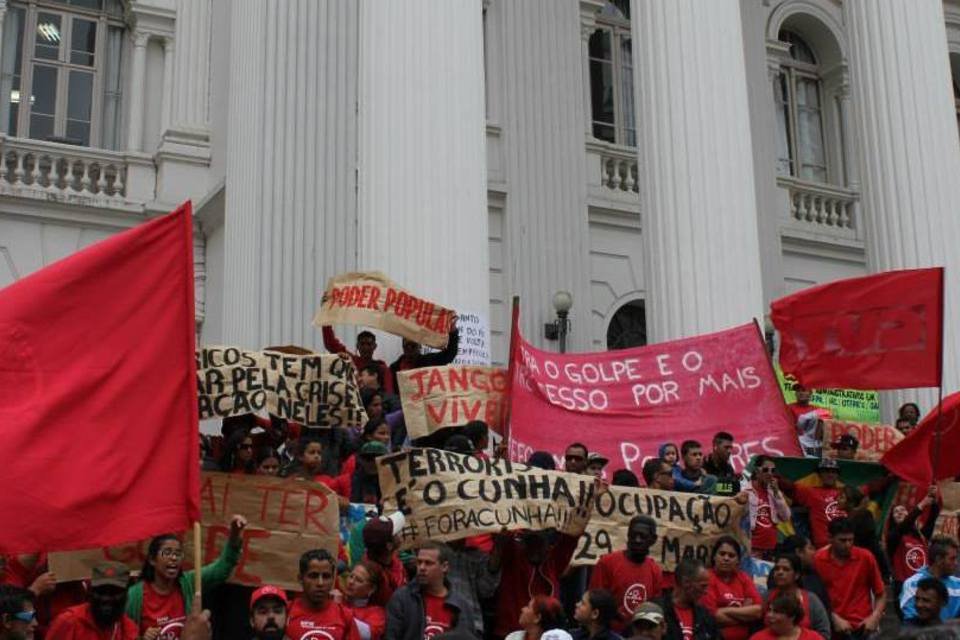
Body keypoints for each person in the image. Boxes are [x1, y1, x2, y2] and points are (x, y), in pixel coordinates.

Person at [126, 515, 247, 637]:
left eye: (178, 554)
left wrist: (234, 536)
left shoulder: (189, 582)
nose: (173, 558)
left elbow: (222, 569)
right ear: (152, 560)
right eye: (167, 553)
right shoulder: (134, 597)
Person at [385, 542, 474, 640]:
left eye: (428, 563)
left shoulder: (461, 605)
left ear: (444, 567)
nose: (422, 568)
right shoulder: (402, 598)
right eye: (419, 562)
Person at [590, 515, 664, 632]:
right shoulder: (607, 563)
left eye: (642, 536)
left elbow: (654, 608)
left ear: (653, 539)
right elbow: (595, 601)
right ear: (628, 535)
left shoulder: (655, 570)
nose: (637, 540)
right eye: (634, 535)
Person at [812, 518, 884, 637]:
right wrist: (833, 617)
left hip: (863, 627)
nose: (848, 544)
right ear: (830, 538)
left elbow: (880, 593)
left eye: (851, 540)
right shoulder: (818, 560)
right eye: (843, 540)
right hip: (832, 626)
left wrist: (875, 617)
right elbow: (815, 597)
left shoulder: (865, 557)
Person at [48, 562, 139, 640]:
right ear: (90, 592)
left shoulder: (128, 629)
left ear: (126, 595)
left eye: (114, 592)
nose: (106, 598)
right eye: (100, 591)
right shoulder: (69, 622)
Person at [888, 486, 941, 617]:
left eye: (903, 511)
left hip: (924, 587)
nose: (900, 513)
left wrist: (934, 499)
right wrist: (923, 503)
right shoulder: (893, 537)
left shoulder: (921, 536)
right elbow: (906, 523)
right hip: (904, 587)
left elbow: (932, 519)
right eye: (896, 512)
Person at [287, 549, 358, 640]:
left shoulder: (345, 616)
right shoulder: (287, 611)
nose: (320, 583)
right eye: (313, 576)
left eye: (326, 576)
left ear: (333, 579)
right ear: (300, 578)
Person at [703, 537, 761, 640]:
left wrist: (724, 610)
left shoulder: (743, 578)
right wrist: (744, 612)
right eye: (722, 554)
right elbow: (713, 616)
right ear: (714, 557)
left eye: (731, 555)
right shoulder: (706, 578)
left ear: (738, 560)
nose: (726, 558)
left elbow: (758, 611)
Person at [779, 458, 846, 548]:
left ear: (837, 475)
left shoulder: (846, 492)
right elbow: (789, 487)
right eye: (826, 471)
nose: (830, 474)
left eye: (833, 472)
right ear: (819, 474)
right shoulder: (811, 493)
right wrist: (772, 473)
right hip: (823, 545)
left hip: (846, 543)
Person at [763, 554, 831, 639]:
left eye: (786, 569)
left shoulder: (811, 600)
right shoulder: (766, 597)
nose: (780, 572)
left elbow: (824, 633)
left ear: (797, 575)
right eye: (777, 569)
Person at [444, 539, 500, 638]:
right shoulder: (434, 554)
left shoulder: (477, 556)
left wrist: (497, 553)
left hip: (471, 625)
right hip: (439, 621)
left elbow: (486, 591)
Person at [654, 558, 720, 640]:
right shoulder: (656, 611)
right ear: (686, 582)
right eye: (703, 586)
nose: (706, 592)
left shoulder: (705, 617)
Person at [769, 536, 831, 623]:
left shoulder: (812, 573)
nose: (814, 552)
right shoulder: (778, 578)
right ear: (799, 552)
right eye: (810, 548)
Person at [900, 536, 960, 622]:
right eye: (952, 559)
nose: (956, 563)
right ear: (939, 559)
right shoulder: (912, 584)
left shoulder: (958, 585)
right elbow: (912, 621)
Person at [322, 327, 395, 394]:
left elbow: (388, 393)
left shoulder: (382, 368)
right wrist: (326, 321)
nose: (365, 347)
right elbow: (331, 344)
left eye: (369, 344)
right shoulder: (350, 360)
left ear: (374, 346)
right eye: (362, 344)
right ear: (357, 346)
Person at [744, 456, 790, 560]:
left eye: (772, 470)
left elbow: (786, 517)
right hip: (752, 548)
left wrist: (777, 494)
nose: (770, 473)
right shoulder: (745, 490)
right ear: (756, 471)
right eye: (765, 470)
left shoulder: (773, 492)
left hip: (771, 548)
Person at [389, 325, 460, 391]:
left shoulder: (428, 361)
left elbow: (449, 354)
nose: (410, 349)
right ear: (403, 347)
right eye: (407, 346)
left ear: (419, 346)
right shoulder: (394, 368)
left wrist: (453, 332)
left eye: (413, 346)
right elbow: (391, 392)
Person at [362, 515, 408, 604]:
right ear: (389, 546)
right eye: (396, 534)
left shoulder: (390, 561)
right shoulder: (378, 580)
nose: (400, 534)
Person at [342, 561, 386, 640]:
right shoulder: (338, 601)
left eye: (358, 580)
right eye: (351, 576)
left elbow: (368, 634)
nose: (351, 582)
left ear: (372, 589)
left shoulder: (377, 613)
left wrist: (336, 609)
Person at [749, 594, 822, 640]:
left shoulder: (813, 637)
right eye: (769, 610)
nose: (769, 615)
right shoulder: (758, 638)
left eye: (776, 612)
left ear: (792, 616)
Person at [703, 432, 740, 497]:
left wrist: (718, 485)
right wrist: (726, 485)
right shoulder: (703, 465)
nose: (729, 451)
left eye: (730, 448)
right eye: (726, 447)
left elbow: (735, 488)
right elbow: (704, 488)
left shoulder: (728, 468)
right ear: (715, 447)